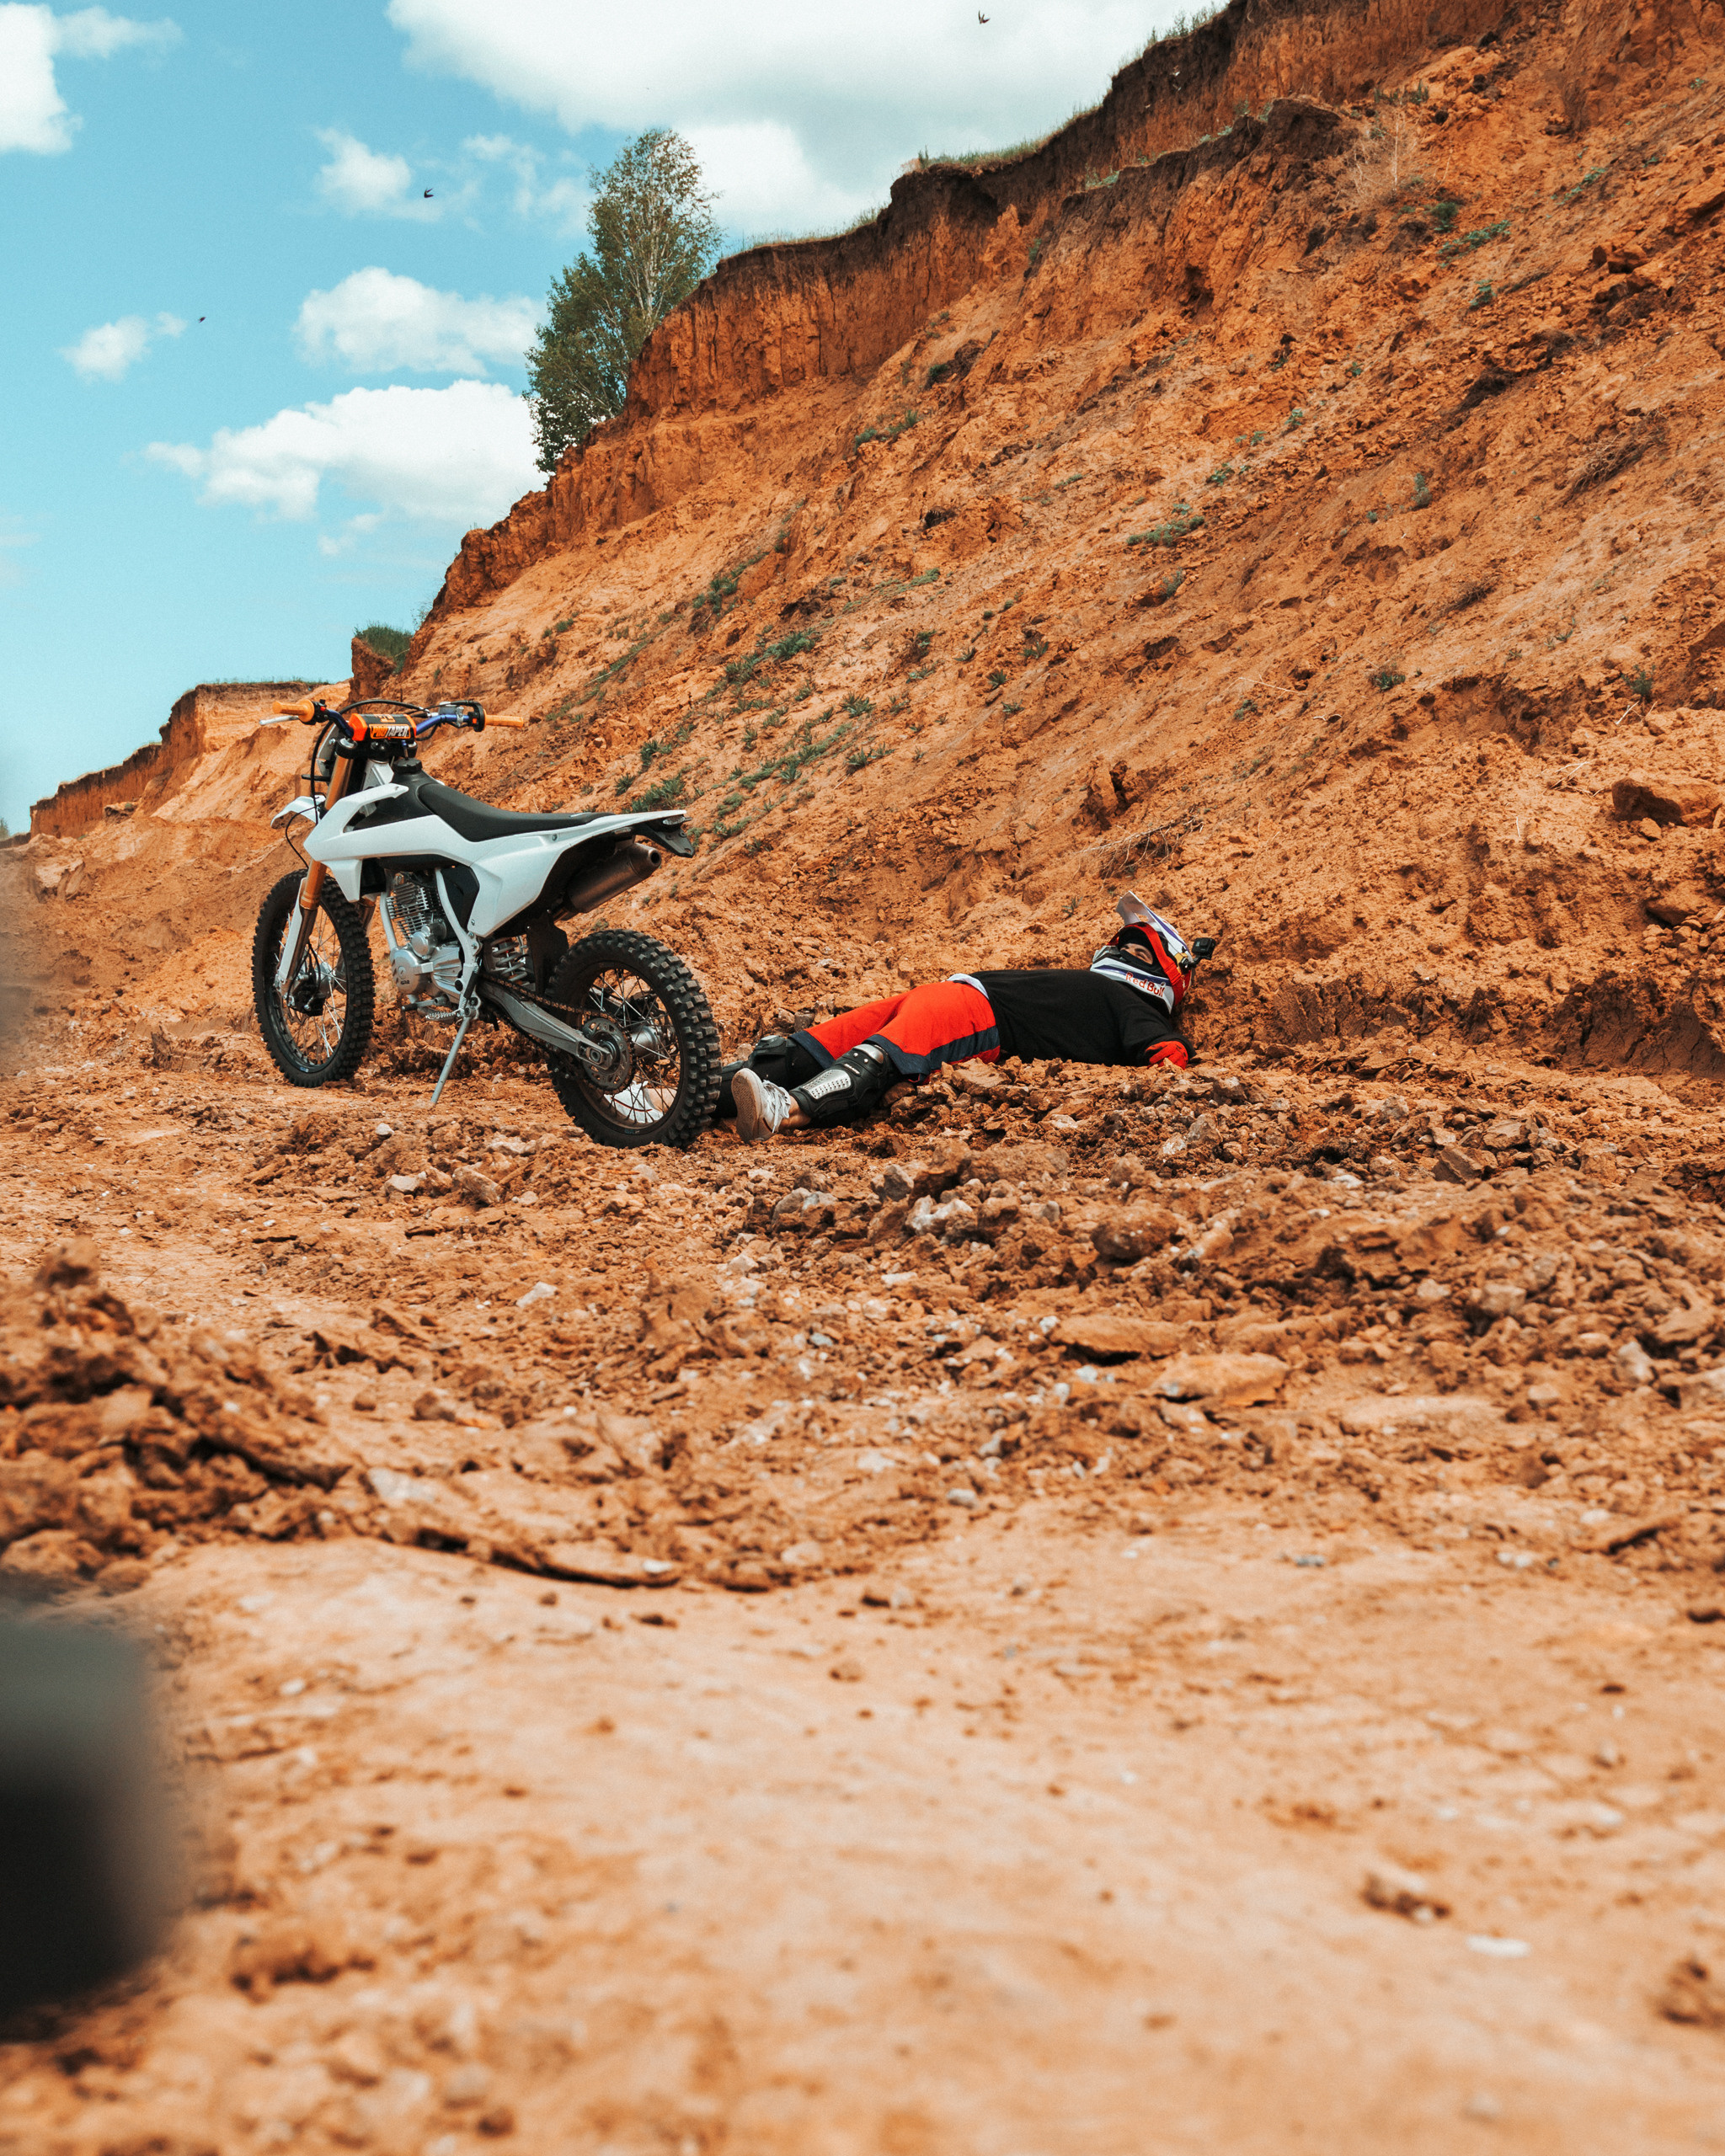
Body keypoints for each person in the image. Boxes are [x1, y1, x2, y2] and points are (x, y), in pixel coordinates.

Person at [722, 895, 1205, 1142]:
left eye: (1138, 947)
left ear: (1165, 974)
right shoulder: (1113, 990)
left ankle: (783, 1113)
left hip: (978, 1013)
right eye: (1122, 941)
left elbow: (1167, 1054)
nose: (1119, 948)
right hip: (948, 993)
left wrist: (1171, 1065)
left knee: (877, 1057)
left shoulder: (1135, 1005)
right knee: (807, 1048)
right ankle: (668, 1099)